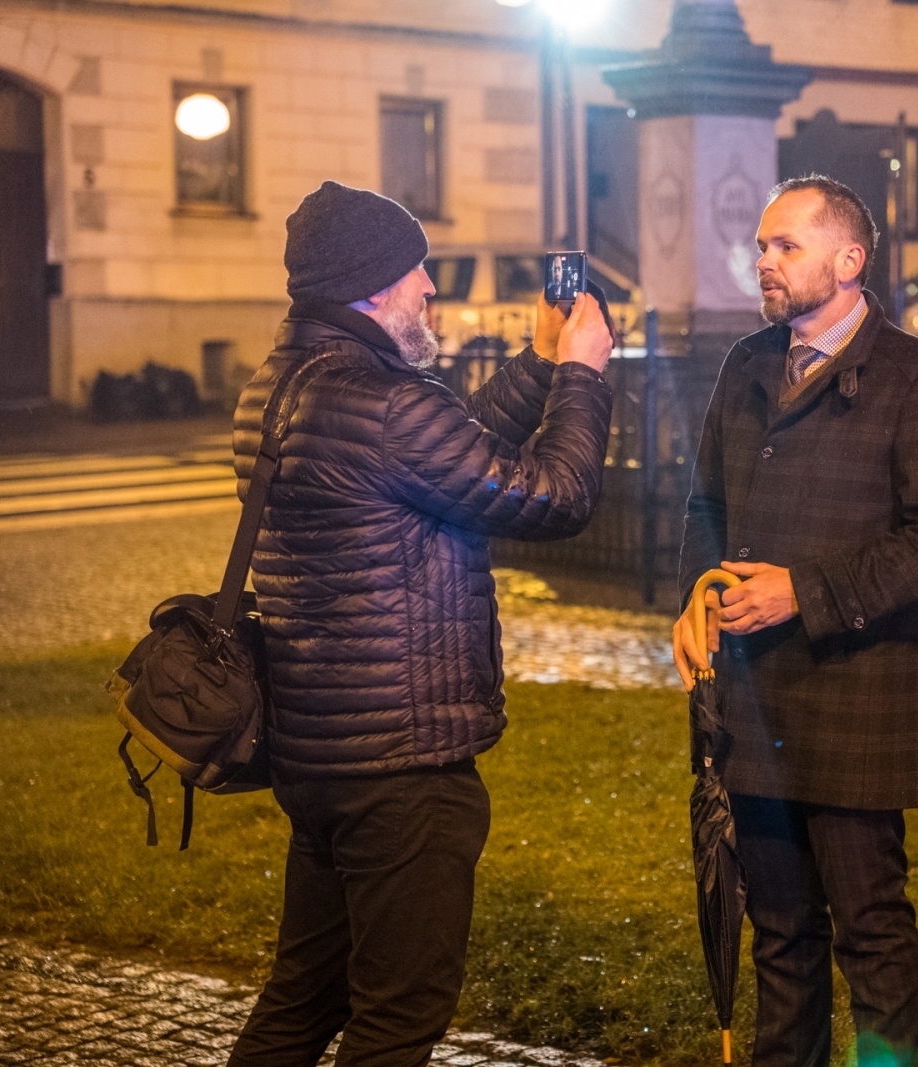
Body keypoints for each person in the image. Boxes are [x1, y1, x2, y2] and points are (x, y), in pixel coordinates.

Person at [226, 180, 614, 1067]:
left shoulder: (281, 387)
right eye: (417, 273)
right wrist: (585, 374)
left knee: (300, 1002)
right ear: (370, 286)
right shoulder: (388, 406)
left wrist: (539, 362)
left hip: (320, 754)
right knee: (397, 1019)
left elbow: (448, 455)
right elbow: (553, 497)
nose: (431, 291)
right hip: (405, 766)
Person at [671, 176, 918, 1067]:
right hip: (749, 702)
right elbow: (706, 503)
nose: (762, 262)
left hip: (854, 700)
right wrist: (695, 596)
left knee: (872, 933)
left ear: (848, 261)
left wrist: (804, 591)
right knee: (779, 933)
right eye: (762, 247)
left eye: (785, 247)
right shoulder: (744, 366)